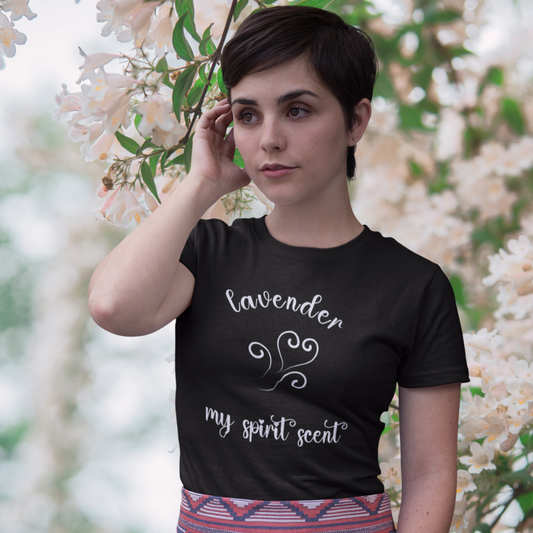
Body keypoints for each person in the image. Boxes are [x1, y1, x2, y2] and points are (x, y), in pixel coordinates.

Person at [88, 6, 470, 533]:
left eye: (297, 110)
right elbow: (114, 307)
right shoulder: (208, 253)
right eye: (247, 115)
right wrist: (202, 184)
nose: (268, 138)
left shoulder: (415, 286)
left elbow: (430, 474)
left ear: (356, 120)